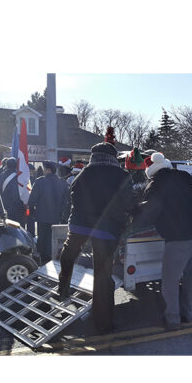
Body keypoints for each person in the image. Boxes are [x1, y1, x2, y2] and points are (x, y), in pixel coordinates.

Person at [57, 142, 135, 334]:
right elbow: (129, 203)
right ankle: (103, 323)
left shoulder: (81, 175)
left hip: (78, 226)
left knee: (68, 255)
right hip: (105, 230)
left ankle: (63, 290)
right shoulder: (121, 175)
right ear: (112, 158)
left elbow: (72, 199)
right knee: (102, 274)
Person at [137, 152, 192, 330]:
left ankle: (172, 320)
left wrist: (134, 211)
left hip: (179, 237)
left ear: (151, 172)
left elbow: (149, 213)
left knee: (170, 281)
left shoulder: (155, 185)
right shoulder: (185, 175)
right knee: (191, 276)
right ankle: (187, 314)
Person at [28, 161, 70, 263]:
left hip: (42, 215)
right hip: (56, 216)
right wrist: (63, 215)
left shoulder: (39, 181)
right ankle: (52, 258)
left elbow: (32, 199)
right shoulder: (63, 183)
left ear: (48, 170)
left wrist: (32, 210)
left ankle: (42, 260)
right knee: (53, 238)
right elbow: (67, 202)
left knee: (42, 237)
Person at [0, 157, 26, 226]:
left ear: (6, 165)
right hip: (16, 208)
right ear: (16, 166)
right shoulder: (18, 177)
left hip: (4, 207)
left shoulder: (1, 176)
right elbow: (15, 194)